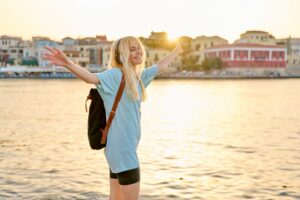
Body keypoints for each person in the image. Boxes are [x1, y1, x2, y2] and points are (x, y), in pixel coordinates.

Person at [43, 36, 182, 200]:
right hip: (124, 153)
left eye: (138, 47)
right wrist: (68, 64)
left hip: (118, 150)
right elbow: (91, 78)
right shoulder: (115, 75)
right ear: (122, 54)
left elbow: (160, 65)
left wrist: (177, 50)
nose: (138, 51)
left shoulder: (137, 78)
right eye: (132, 49)